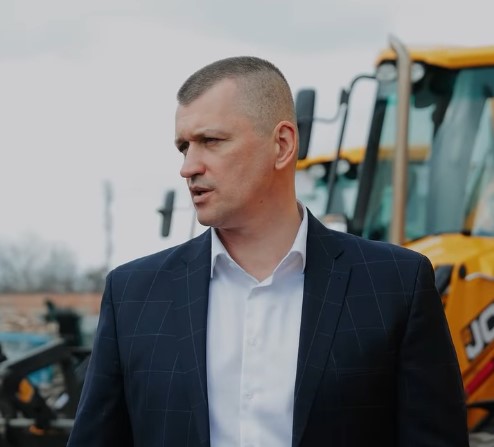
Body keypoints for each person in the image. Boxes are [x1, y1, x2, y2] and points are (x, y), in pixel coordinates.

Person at [67, 56, 469, 447]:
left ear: (282, 144)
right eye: (184, 147)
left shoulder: (396, 286)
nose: (188, 167)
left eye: (210, 141)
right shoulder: (132, 294)